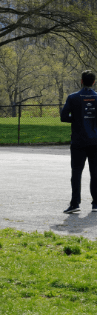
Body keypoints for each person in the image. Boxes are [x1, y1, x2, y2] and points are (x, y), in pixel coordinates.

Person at [60, 70, 97, 214]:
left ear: (81, 81)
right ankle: (95, 203)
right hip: (95, 140)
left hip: (78, 141)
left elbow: (63, 117)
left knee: (76, 172)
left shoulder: (73, 97)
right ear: (93, 82)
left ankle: (75, 203)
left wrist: (76, 118)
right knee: (95, 172)